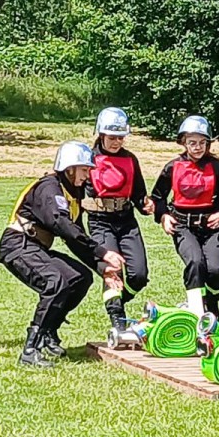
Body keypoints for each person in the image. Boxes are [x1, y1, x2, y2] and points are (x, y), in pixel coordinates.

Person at [0, 141, 126, 368]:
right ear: (69, 168)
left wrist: (102, 268)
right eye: (84, 169)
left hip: (35, 247)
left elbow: (75, 237)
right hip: (17, 245)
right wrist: (103, 252)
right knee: (56, 282)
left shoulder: (73, 192)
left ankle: (48, 333)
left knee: (79, 278)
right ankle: (30, 349)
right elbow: (61, 224)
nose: (87, 175)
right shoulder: (50, 188)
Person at [149, 115, 219, 317]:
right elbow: (158, 197)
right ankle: (197, 311)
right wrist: (164, 216)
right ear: (183, 143)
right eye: (192, 143)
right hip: (183, 226)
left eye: (201, 143)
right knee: (196, 263)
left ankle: (211, 301)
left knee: (215, 270)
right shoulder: (172, 167)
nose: (197, 147)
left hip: (211, 227)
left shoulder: (217, 168)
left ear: (208, 143)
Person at [83, 107, 153, 335]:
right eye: (112, 137)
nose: (117, 142)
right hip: (99, 221)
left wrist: (146, 205)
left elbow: (138, 193)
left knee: (139, 274)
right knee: (113, 269)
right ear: (101, 134)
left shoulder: (130, 159)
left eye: (121, 137)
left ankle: (118, 300)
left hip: (126, 220)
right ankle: (117, 316)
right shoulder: (88, 158)